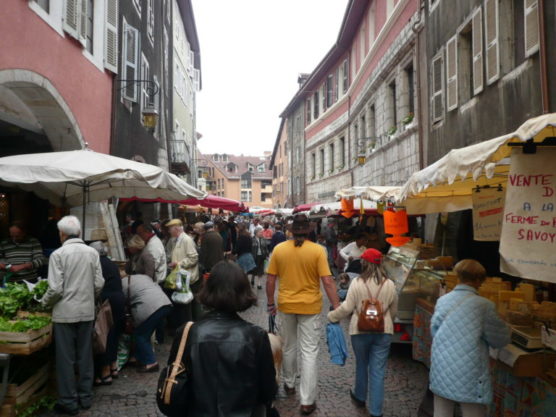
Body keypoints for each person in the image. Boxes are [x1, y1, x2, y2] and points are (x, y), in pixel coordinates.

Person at [170, 261, 277, 416]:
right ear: (243, 292)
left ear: (208, 289)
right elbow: (268, 390)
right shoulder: (256, 336)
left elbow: (177, 382)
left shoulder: (188, 332)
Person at [266, 214, 340, 415]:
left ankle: (289, 384)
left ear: (290, 230)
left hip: (286, 305)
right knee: (309, 352)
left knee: (288, 347)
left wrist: (270, 303)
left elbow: (271, 279)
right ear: (308, 230)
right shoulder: (318, 250)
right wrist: (336, 305)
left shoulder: (279, 250)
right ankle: (307, 401)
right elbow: (327, 281)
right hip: (310, 307)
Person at [429, 259, 510, 417]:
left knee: (441, 412)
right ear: (479, 280)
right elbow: (500, 339)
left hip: (442, 365)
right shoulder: (485, 306)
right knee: (473, 411)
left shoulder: (443, 300)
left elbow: (434, 331)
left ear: (458, 276)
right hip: (469, 371)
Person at [41, 216, 104, 415]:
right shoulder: (92, 252)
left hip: (64, 313)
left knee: (65, 359)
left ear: (62, 234)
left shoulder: (58, 254)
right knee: (85, 356)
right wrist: (89, 298)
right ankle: (85, 397)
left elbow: (55, 289)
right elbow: (99, 283)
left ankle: (68, 401)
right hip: (86, 311)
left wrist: (43, 303)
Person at [327, 248, 398, 417]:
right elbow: (394, 311)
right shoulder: (390, 284)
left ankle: (360, 396)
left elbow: (347, 308)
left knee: (361, 363)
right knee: (378, 370)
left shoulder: (357, 283)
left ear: (364, 263)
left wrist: (332, 316)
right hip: (383, 331)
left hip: (359, 330)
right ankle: (376, 410)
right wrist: (385, 321)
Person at [89, 241, 125, 386]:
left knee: (103, 335)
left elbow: (98, 285)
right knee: (113, 333)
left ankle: (104, 372)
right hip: (118, 299)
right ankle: (113, 366)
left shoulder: (98, 264)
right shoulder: (111, 263)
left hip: (106, 302)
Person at [121, 274, 172, 373]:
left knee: (140, 335)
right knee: (146, 333)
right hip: (165, 303)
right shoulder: (142, 276)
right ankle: (138, 357)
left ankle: (151, 363)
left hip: (151, 308)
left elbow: (123, 303)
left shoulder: (122, 283)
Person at [167, 219, 199, 324]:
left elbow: (194, 258)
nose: (168, 231)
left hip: (186, 278)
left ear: (176, 229)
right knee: (183, 304)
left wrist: (179, 264)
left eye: (170, 229)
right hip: (181, 277)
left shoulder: (186, 240)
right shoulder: (175, 240)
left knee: (186, 305)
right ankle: (185, 326)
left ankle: (188, 328)